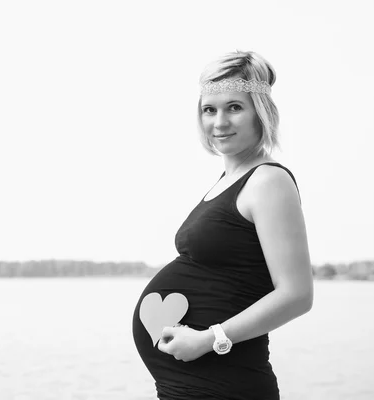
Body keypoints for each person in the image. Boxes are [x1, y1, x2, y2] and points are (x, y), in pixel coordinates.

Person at [132, 50, 314, 400]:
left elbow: (297, 295)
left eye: (234, 107)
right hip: (189, 386)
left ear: (261, 112)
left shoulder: (267, 181)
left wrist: (208, 339)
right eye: (209, 109)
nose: (219, 122)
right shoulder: (229, 180)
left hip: (225, 386)